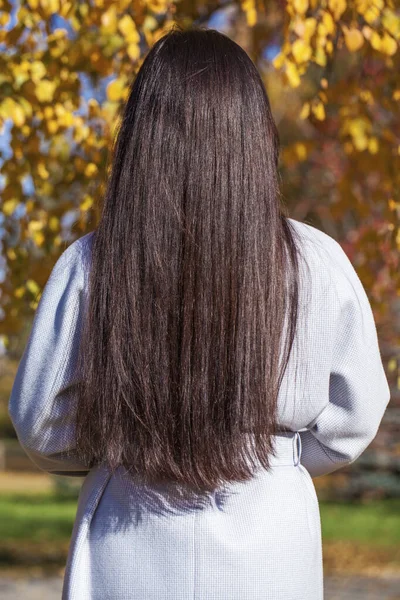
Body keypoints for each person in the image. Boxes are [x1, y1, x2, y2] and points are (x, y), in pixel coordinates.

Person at [8, 25, 391, 600]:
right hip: (270, 546)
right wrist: (269, 455)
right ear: (255, 135)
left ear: (140, 137)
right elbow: (356, 417)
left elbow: (41, 421)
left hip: (128, 541)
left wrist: (132, 446)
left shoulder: (91, 263)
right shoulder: (318, 262)